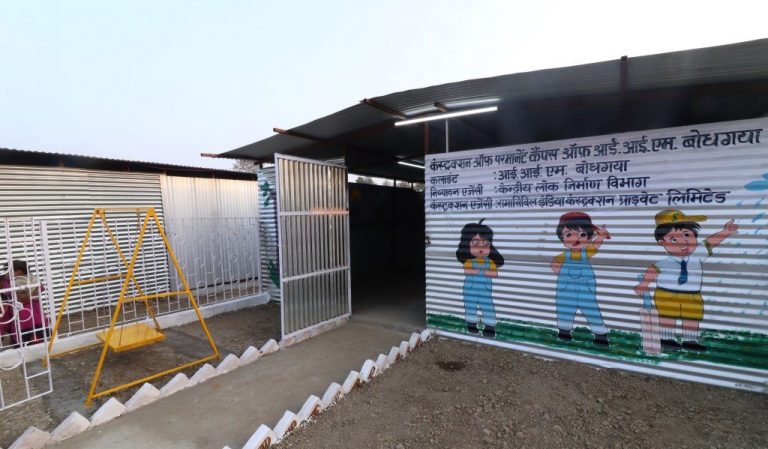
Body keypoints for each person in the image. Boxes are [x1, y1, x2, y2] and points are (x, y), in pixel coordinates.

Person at [634, 210, 738, 352]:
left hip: (692, 295)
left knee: (692, 317)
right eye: (674, 239)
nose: (683, 242)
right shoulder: (664, 262)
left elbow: (711, 242)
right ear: (662, 243)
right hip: (666, 294)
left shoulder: (698, 254)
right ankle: (666, 339)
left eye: (687, 235)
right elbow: (652, 271)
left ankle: (690, 341)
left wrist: (726, 232)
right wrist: (643, 285)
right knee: (667, 317)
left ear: (695, 236)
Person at [550, 212, 611, 347]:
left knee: (591, 309)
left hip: (585, 288)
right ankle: (564, 331)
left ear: (589, 237)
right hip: (566, 288)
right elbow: (554, 264)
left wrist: (601, 236)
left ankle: (600, 335)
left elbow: (596, 245)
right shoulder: (564, 255)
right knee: (565, 308)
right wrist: (563, 276)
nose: (575, 239)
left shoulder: (586, 252)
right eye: (569, 235)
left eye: (582, 234)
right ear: (562, 237)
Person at [455, 219, 504, 338]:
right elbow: (466, 271)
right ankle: (471, 325)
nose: (481, 247)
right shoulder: (469, 261)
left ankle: (489, 327)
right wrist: (474, 271)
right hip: (470, 289)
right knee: (470, 306)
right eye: (476, 243)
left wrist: (488, 272)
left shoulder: (490, 262)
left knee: (488, 307)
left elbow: (495, 274)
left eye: (485, 244)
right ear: (467, 245)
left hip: (485, 290)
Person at [0, 260, 50, 346]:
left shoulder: (28, 278)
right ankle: (20, 341)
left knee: (31, 322)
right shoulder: (3, 279)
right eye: (6, 270)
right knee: (14, 323)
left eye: (11, 270)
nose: (8, 273)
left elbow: (40, 287)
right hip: (12, 306)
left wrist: (28, 295)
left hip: (30, 306)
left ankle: (34, 340)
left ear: (20, 271)